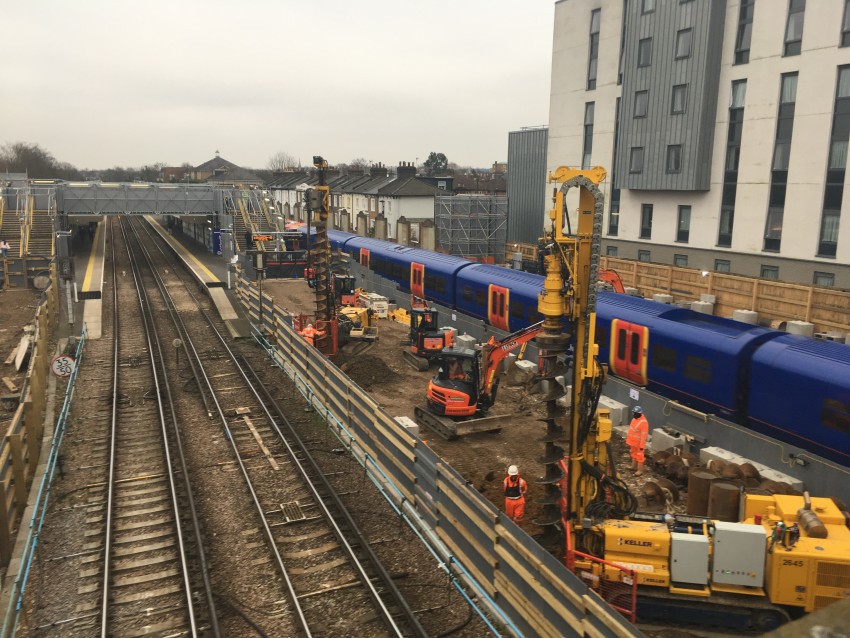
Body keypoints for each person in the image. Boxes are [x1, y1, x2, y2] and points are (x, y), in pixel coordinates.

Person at [626, 405, 649, 476]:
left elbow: (644, 435)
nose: (633, 414)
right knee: (633, 454)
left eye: (635, 413)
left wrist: (642, 446)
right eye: (633, 413)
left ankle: (640, 470)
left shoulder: (643, 422)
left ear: (639, 413)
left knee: (640, 456)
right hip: (633, 443)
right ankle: (633, 467)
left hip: (639, 444)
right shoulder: (634, 419)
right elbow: (631, 430)